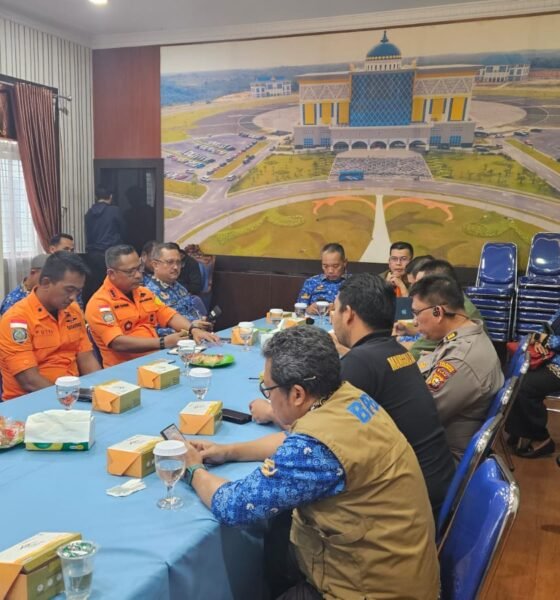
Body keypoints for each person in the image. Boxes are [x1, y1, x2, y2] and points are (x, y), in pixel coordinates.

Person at [185, 327, 439, 600]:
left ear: (297, 394)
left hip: (371, 590)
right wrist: (229, 451)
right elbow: (295, 440)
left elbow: (236, 505)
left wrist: (193, 469)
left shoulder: (315, 448)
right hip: (399, 570)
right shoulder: (348, 396)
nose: (267, 396)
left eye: (268, 388)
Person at [410, 275, 503, 459]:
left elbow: (418, 416)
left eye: (416, 313)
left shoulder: (461, 360)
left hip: (443, 456)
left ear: (437, 312)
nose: (414, 322)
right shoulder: (464, 336)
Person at [85, 245, 218, 367]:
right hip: (125, 368)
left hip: (157, 360)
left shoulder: (144, 293)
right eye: (130, 271)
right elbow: (117, 342)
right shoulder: (100, 303)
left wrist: (193, 329)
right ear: (111, 274)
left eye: (139, 268)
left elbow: (169, 315)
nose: (138, 275)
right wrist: (163, 342)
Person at [0, 253, 101, 400]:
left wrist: (100, 390)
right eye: (69, 290)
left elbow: (87, 359)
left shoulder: (73, 310)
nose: (73, 297)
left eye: (78, 291)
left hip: (73, 393)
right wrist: (74, 397)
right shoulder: (16, 320)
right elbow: (29, 381)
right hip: (31, 400)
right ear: (46, 283)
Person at [397, 259, 486, 359]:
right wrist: (412, 331)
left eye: (421, 285)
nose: (415, 289)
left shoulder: (454, 313)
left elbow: (411, 356)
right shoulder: (457, 305)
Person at [506, 309, 560, 458]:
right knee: (517, 377)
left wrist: (545, 340)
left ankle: (540, 438)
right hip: (551, 357)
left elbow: (549, 338)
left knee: (526, 386)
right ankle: (519, 431)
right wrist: (537, 339)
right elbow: (548, 326)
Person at [144, 242, 207, 335]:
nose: (175, 267)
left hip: (197, 336)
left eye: (178, 262)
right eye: (170, 262)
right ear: (155, 265)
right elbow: (154, 331)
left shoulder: (179, 287)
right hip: (177, 340)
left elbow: (191, 311)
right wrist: (190, 327)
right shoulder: (149, 294)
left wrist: (201, 320)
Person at [84, 186, 126, 300]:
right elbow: (123, 230)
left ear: (96, 197)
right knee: (112, 283)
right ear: (111, 197)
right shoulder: (114, 211)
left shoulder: (89, 213)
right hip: (111, 254)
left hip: (93, 254)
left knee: (96, 283)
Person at [296, 243, 348, 315]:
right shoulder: (311, 282)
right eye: (325, 266)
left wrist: (339, 308)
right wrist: (308, 309)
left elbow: (360, 311)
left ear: (344, 263)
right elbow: (299, 307)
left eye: (335, 266)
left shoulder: (354, 283)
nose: (330, 271)